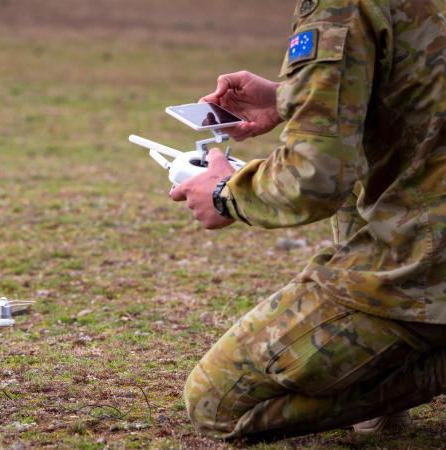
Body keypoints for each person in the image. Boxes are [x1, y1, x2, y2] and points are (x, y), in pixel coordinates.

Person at [170, 0, 446, 442]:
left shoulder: (338, 6)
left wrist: (225, 193)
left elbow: (315, 179)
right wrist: (288, 98)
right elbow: (418, 92)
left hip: (427, 256)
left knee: (215, 405)